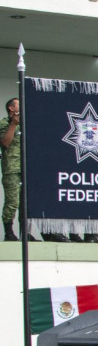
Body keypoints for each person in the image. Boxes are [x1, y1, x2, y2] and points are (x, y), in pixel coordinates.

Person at [0, 97, 32, 242]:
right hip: (12, 169)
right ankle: (9, 232)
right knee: (12, 202)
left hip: (28, 169)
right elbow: (5, 143)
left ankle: (25, 233)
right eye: (19, 103)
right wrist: (13, 124)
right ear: (11, 108)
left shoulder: (28, 124)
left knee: (28, 203)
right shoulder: (4, 123)